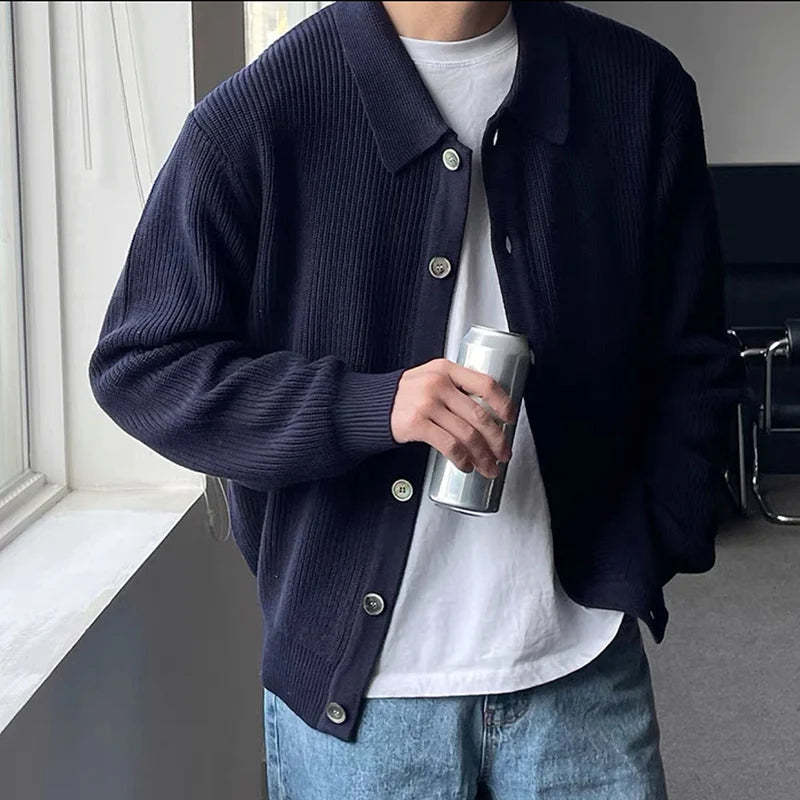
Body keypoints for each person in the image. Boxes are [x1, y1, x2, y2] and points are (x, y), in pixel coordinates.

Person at [89, 1, 748, 797]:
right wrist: (368, 406)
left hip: (581, 667)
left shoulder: (637, 89)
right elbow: (143, 365)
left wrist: (662, 534)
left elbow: (691, 353)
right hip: (363, 705)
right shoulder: (260, 114)